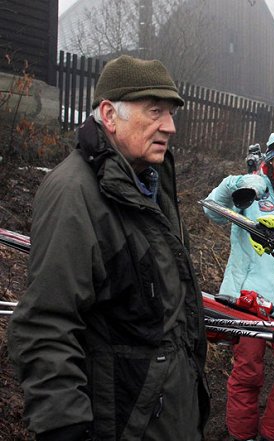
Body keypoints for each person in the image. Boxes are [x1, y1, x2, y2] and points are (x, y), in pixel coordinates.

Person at [7, 55, 210, 441]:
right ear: (109, 115)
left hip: (170, 419)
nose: (170, 126)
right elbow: (45, 325)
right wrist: (64, 429)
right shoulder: (74, 193)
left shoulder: (149, 182)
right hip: (123, 425)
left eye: (170, 113)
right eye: (155, 111)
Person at [203, 130, 274, 441]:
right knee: (247, 373)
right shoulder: (249, 187)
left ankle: (272, 434)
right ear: (271, 157)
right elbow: (212, 211)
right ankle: (243, 435)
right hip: (247, 299)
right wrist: (238, 183)